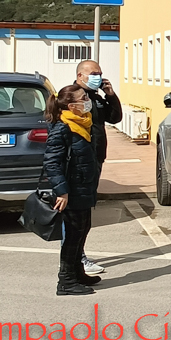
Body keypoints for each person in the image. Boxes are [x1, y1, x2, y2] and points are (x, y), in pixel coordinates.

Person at [45, 85, 102, 296]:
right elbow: (52, 163)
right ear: (71, 106)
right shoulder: (63, 128)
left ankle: (77, 273)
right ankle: (66, 281)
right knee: (72, 234)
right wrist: (62, 191)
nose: (87, 100)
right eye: (83, 98)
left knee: (82, 229)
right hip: (71, 191)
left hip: (83, 188)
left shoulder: (82, 123)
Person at [72, 60, 121, 278]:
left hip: (95, 158)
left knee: (86, 209)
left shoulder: (97, 97)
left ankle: (77, 256)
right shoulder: (73, 96)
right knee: (77, 211)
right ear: (80, 75)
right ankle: (76, 258)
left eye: (100, 73)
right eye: (93, 73)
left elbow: (114, 118)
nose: (98, 77)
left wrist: (110, 95)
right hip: (79, 160)